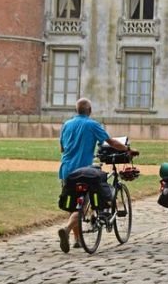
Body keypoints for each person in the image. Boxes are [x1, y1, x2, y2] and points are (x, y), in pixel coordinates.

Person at [57, 98, 138, 253]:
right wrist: (127, 149)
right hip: (84, 171)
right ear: (90, 111)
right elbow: (111, 142)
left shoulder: (66, 125)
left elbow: (62, 148)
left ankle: (77, 239)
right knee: (85, 204)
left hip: (66, 170)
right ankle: (67, 230)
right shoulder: (92, 125)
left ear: (76, 110)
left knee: (74, 205)